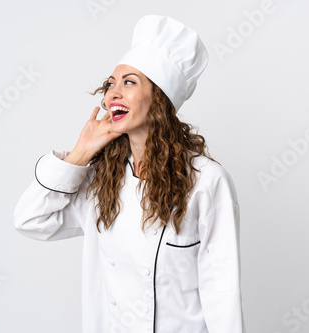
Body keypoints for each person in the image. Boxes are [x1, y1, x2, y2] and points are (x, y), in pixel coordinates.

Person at [14, 15, 246, 333]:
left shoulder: (206, 181)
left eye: (129, 83)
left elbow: (222, 292)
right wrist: (80, 153)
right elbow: (31, 220)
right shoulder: (103, 180)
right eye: (111, 84)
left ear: (160, 99)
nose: (112, 94)